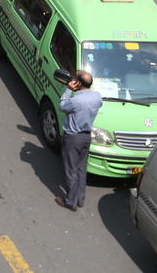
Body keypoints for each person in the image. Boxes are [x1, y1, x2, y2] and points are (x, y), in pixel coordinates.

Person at [56, 70, 103, 211]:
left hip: (73, 137)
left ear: (79, 83)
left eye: (75, 78)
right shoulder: (97, 97)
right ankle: (80, 198)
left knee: (71, 170)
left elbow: (62, 106)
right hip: (86, 136)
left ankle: (70, 201)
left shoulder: (76, 100)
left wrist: (68, 90)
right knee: (82, 169)